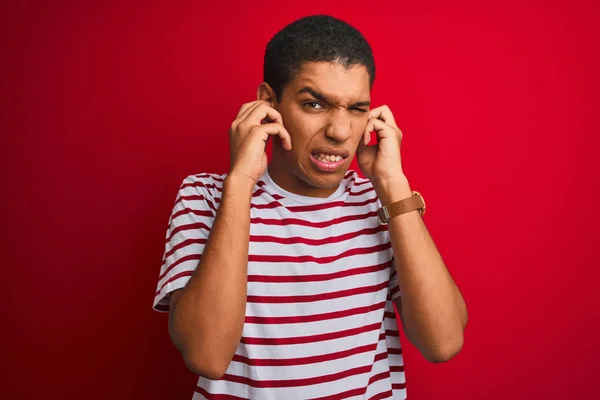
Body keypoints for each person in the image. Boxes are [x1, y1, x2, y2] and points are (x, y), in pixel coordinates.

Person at [153, 14, 468, 399]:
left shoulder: (380, 202)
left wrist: (392, 184)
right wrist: (239, 184)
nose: (339, 132)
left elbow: (443, 342)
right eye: (315, 104)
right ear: (269, 103)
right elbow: (207, 355)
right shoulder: (206, 196)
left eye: (356, 109)